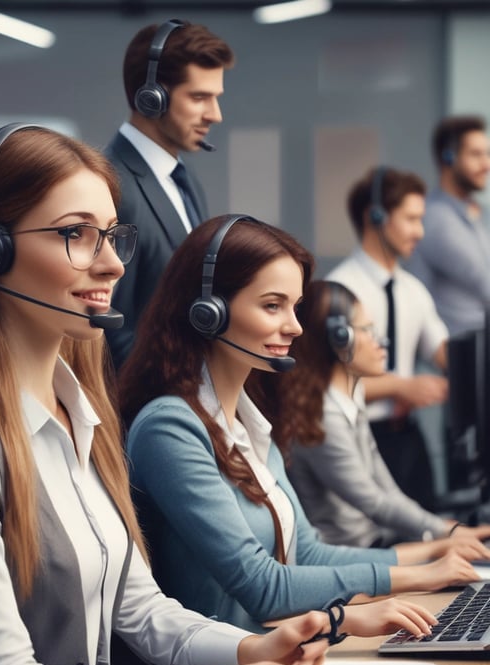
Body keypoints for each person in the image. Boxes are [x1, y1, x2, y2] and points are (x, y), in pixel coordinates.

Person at [0, 124, 346, 665]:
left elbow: (142, 612)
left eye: (111, 235)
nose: (113, 263)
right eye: (75, 234)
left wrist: (252, 652)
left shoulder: (82, 417)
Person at [118, 213, 477, 635]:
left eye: (295, 306)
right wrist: (416, 577)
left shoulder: (249, 423)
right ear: (207, 312)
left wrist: (432, 561)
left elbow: (308, 553)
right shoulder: (169, 429)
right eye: (273, 306)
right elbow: (262, 586)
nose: (295, 327)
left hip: (284, 650)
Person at [284, 279, 490, 553]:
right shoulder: (321, 415)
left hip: (376, 542)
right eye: (367, 330)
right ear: (338, 338)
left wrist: (444, 529)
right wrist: (445, 531)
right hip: (350, 555)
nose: (381, 341)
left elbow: (387, 489)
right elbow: (373, 502)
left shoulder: (349, 397)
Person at [104, 19, 234, 370]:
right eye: (199, 98)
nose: (215, 115)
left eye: (215, 98)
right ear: (151, 98)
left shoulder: (185, 178)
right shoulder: (111, 186)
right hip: (142, 407)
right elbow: (106, 325)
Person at [326, 166, 448, 509]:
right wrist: (401, 386)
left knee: (432, 529)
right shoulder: (341, 292)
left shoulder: (414, 290)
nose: (419, 232)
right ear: (375, 217)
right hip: (358, 436)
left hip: (407, 436)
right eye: (411, 219)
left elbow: (443, 353)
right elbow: (325, 384)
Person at [408, 115, 490, 335]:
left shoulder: (477, 213)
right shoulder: (436, 218)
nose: (486, 164)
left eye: (487, 154)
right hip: (455, 359)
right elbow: (484, 280)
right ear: (448, 158)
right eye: (476, 155)